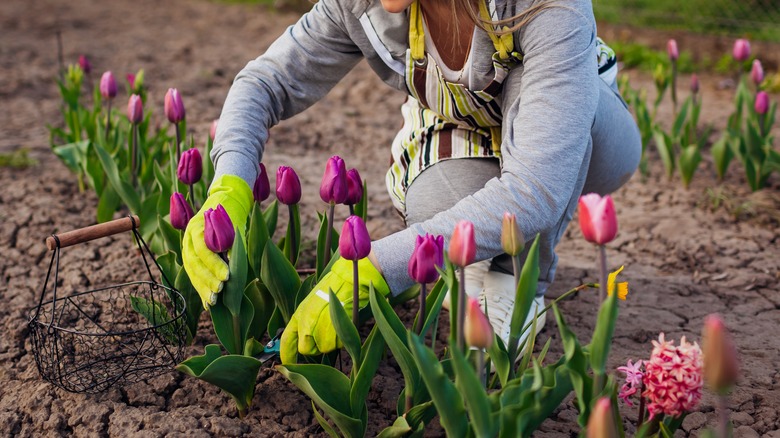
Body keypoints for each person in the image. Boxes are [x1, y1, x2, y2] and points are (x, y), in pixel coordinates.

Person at [182, 0, 641, 363]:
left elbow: (538, 186)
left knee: (552, 156)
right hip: (465, 126)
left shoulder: (551, 5)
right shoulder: (362, 5)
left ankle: (518, 281)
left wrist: (381, 265)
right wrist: (230, 185)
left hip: (581, 131)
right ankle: (479, 258)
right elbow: (264, 83)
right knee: (430, 213)